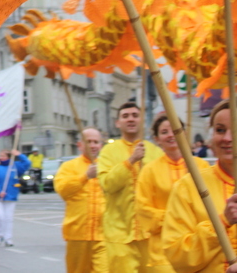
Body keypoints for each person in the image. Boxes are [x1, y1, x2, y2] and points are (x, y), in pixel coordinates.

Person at [162, 100, 237, 273]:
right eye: (220, 130)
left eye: (235, 129)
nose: (227, 138)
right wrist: (221, 222)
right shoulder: (189, 186)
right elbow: (177, 255)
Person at [137, 114, 209, 273]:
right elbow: (142, 210)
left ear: (184, 133)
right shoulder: (149, 171)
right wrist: (174, 219)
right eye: (164, 132)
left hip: (200, 248)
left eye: (175, 130)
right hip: (162, 252)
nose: (171, 135)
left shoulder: (201, 166)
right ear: (157, 139)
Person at [97, 102, 163, 272]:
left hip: (150, 233)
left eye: (135, 115)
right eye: (125, 116)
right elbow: (107, 184)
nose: (131, 119)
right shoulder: (108, 151)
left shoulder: (155, 152)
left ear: (142, 120)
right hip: (119, 234)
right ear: (118, 123)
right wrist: (131, 161)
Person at [54, 128, 108, 273]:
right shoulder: (68, 167)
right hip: (77, 234)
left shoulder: (107, 167)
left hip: (103, 236)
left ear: (101, 145)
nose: (93, 145)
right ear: (80, 145)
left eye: (96, 142)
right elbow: (63, 190)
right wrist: (85, 176)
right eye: (88, 142)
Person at [0, 148, 30, 247]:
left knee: (8, 218)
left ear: (8, 157)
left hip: (11, 195)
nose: (0, 158)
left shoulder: (15, 166)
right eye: (0, 156)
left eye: (3, 156)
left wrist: (19, 154)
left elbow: (27, 163)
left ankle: (8, 238)